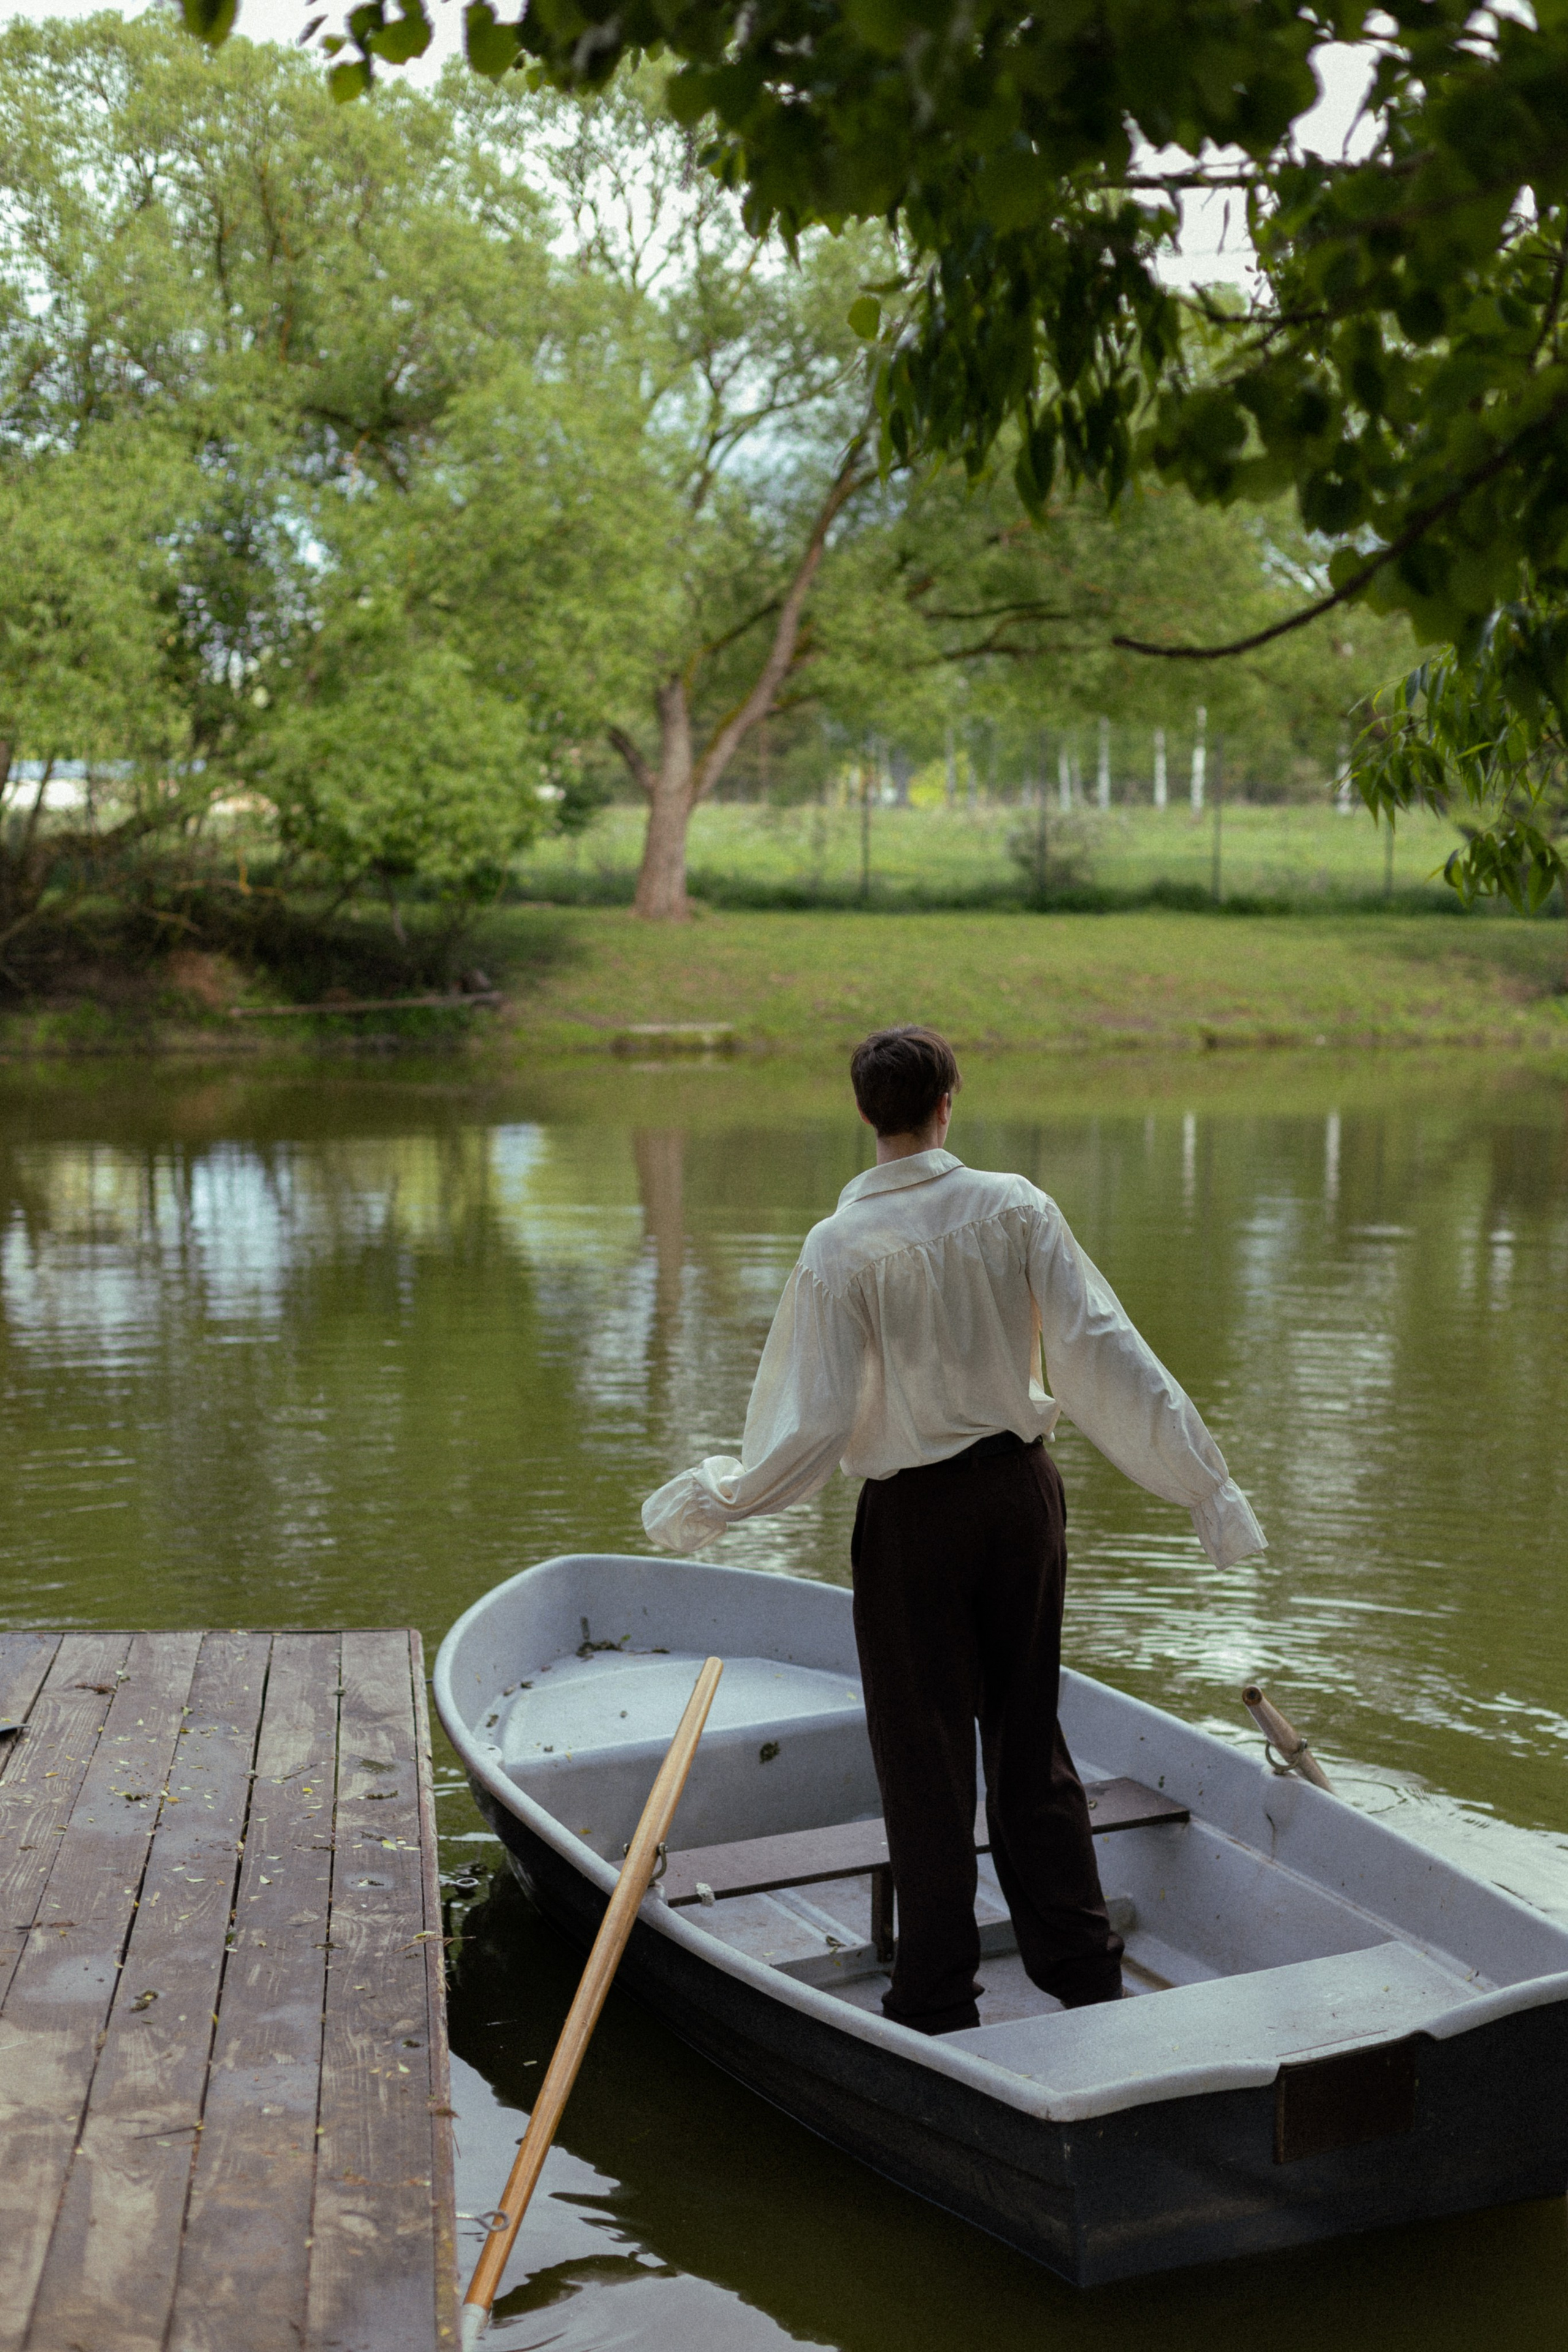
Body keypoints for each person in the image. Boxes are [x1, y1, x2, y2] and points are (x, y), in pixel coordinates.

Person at [642, 1025, 1265, 2037]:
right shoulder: (1015, 1206)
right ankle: (1083, 1974)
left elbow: (811, 1420)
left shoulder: (838, 1248)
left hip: (914, 1523)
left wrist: (724, 1495)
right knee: (1030, 1744)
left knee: (923, 1764)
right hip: (1021, 1501)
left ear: (864, 1115)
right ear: (948, 1104)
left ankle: (935, 2001)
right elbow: (1102, 1353)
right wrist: (1202, 1486)